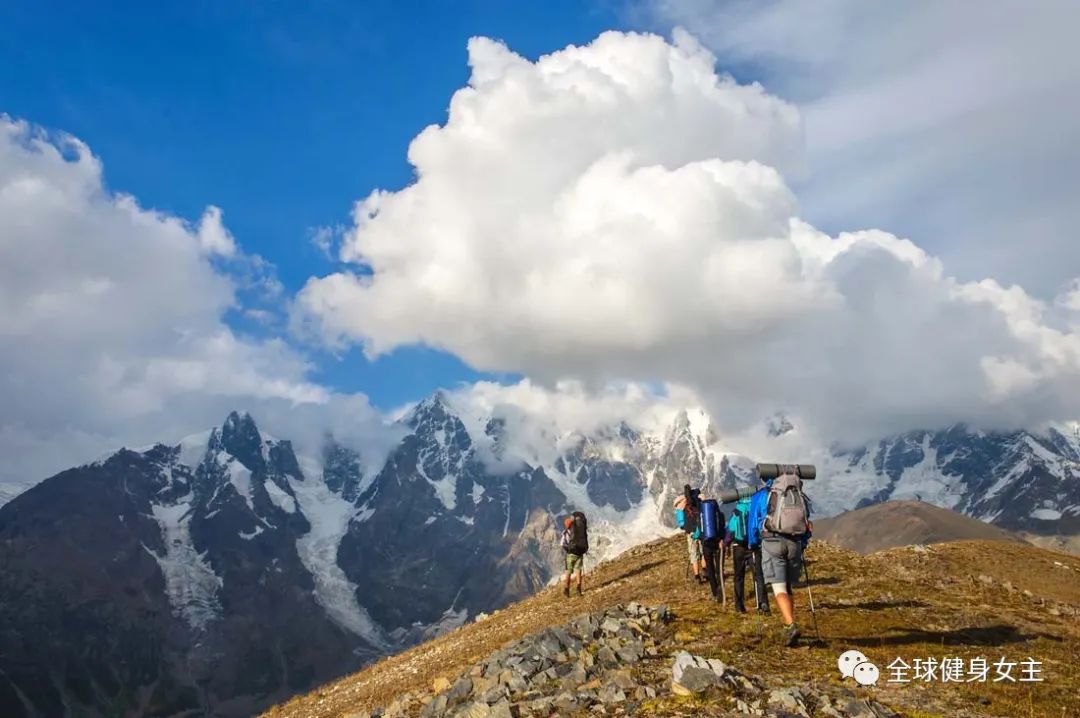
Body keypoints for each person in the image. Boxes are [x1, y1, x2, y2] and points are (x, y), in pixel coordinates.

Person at [748, 472, 812, 646]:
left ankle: (790, 625)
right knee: (789, 586)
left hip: (772, 542)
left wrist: (753, 543)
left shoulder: (763, 495)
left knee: (779, 587)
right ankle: (788, 622)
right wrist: (802, 543)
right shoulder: (797, 494)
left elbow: (754, 521)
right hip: (794, 543)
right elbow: (807, 523)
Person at [725, 496, 769, 614]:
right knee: (759, 576)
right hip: (753, 547)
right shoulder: (754, 507)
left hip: (738, 547)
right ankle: (762, 603)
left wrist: (726, 543)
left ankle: (739, 606)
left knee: (738, 576)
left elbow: (731, 528)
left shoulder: (738, 509)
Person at [673, 485, 704, 582]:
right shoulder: (698, 502)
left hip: (690, 532)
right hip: (701, 530)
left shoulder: (682, 507)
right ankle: (706, 570)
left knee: (694, 554)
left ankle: (697, 576)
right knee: (703, 552)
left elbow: (681, 523)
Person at [560, 511, 588, 597]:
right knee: (578, 570)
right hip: (579, 552)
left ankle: (566, 589)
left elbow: (561, 544)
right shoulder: (578, 532)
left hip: (571, 554)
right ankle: (578, 588)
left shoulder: (566, 533)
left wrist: (567, 549)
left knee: (568, 571)